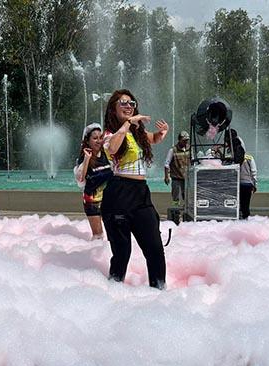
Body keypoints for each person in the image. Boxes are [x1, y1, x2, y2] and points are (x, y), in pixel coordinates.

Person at [101, 89, 169, 290]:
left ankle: (160, 292)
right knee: (122, 252)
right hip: (119, 194)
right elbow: (112, 148)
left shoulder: (137, 134)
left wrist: (162, 133)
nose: (129, 106)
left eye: (132, 103)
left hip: (140, 194)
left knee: (155, 248)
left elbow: (153, 139)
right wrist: (127, 124)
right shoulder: (110, 133)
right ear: (113, 108)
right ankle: (113, 295)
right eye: (123, 103)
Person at [74, 122, 112, 240]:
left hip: (110, 199)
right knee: (98, 235)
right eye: (95, 138)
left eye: (100, 138)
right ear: (88, 141)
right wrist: (87, 159)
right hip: (93, 201)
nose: (98, 141)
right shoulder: (83, 158)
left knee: (114, 234)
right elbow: (80, 180)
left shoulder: (107, 154)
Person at [163, 131, 191, 207]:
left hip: (186, 177)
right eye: (184, 140)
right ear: (179, 140)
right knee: (176, 196)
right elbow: (166, 164)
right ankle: (176, 210)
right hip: (176, 178)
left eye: (187, 140)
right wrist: (166, 177)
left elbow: (193, 161)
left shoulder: (190, 149)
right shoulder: (173, 150)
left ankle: (187, 210)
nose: (185, 142)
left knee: (187, 195)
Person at [239, 151, 258, 219]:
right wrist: (255, 185)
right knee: (246, 204)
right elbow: (254, 172)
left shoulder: (233, 157)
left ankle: (239, 219)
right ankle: (245, 219)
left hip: (237, 184)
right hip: (247, 184)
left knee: (239, 204)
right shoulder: (249, 158)